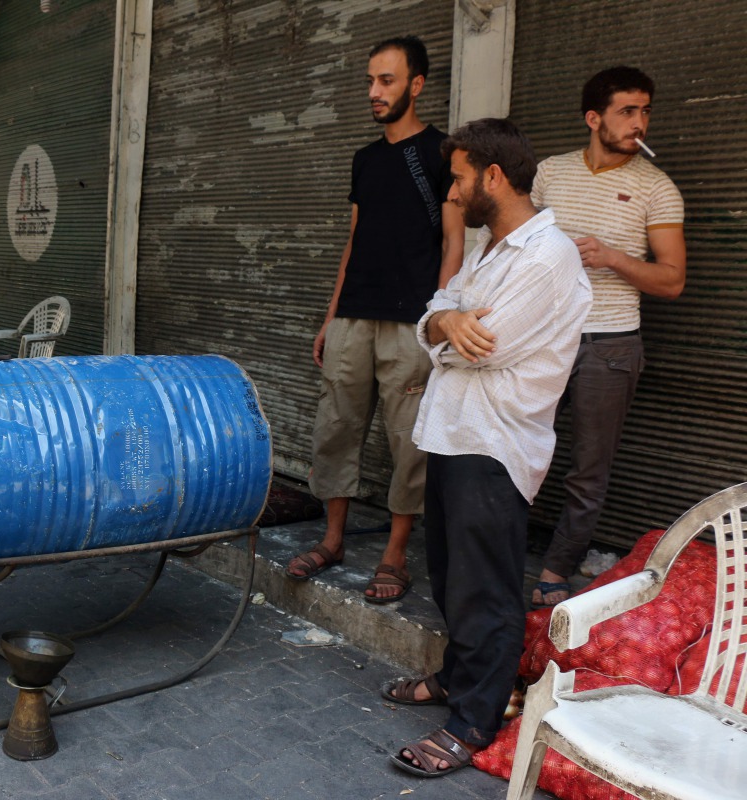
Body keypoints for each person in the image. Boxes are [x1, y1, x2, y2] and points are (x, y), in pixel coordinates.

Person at [384, 118, 591, 777]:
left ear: (493, 178)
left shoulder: (545, 256)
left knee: (487, 589)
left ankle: (477, 716)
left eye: (459, 176)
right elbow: (435, 320)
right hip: (452, 433)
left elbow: (484, 348)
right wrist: (445, 322)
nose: (452, 191)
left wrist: (447, 330)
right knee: (451, 576)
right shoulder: (491, 251)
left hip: (495, 442)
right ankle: (456, 676)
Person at [287, 36, 464, 602]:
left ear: (416, 84)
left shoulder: (443, 154)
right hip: (354, 316)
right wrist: (330, 315)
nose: (374, 92)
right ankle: (333, 539)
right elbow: (355, 240)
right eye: (370, 81)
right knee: (334, 426)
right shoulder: (365, 159)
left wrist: (438, 318)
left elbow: (454, 243)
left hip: (412, 321)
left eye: (386, 81)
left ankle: (394, 554)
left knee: (408, 440)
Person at [529, 66, 686, 608]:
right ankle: (498, 553)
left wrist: (613, 258)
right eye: (627, 111)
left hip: (611, 347)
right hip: (542, 339)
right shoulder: (550, 172)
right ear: (594, 118)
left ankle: (555, 571)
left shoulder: (656, 187)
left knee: (587, 471)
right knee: (516, 450)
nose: (639, 122)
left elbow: (672, 279)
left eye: (645, 110)